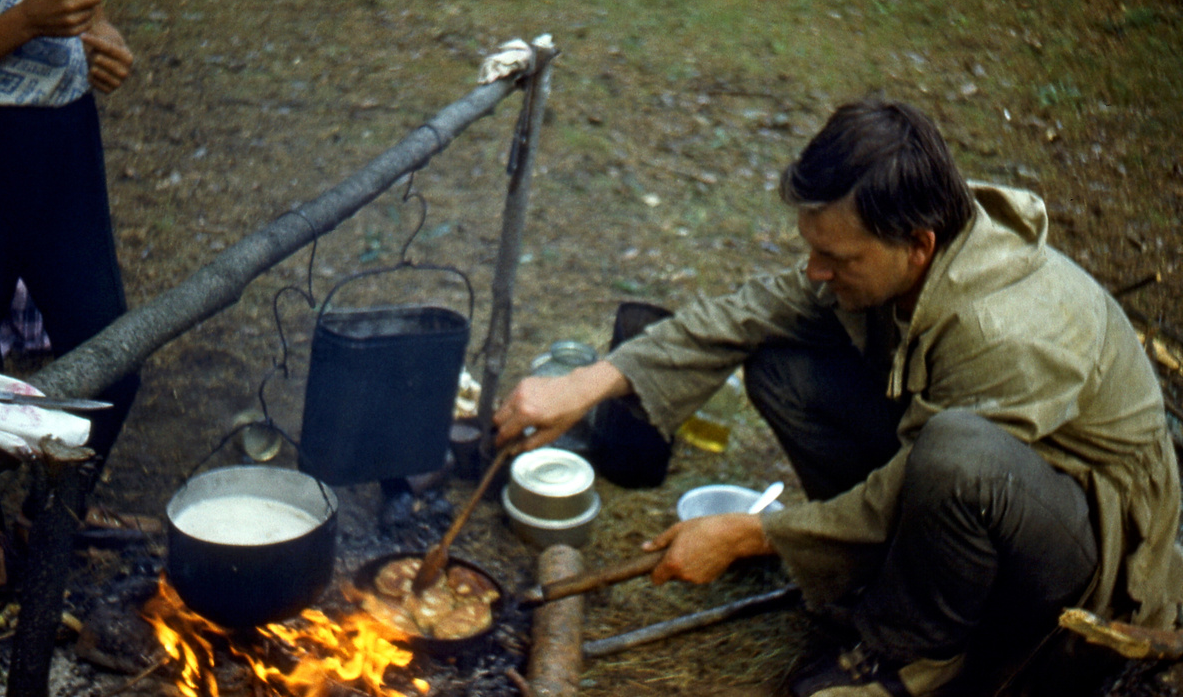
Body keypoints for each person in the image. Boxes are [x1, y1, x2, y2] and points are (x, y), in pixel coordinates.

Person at [495, 99, 1183, 696]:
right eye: (813, 249)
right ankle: (884, 574)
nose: (818, 271)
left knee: (953, 453)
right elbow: (753, 309)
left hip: (1088, 542)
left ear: (918, 244)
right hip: (978, 478)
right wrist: (592, 380)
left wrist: (750, 533)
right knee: (781, 361)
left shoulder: (1000, 329)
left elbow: (917, 476)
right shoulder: (910, 231)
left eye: (840, 259)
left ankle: (921, 651)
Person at [0, 0, 139, 536]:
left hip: (65, 145)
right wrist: (24, 22)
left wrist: (109, 45)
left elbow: (88, 10)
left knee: (114, 358)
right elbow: (41, 14)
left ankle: (52, 511)